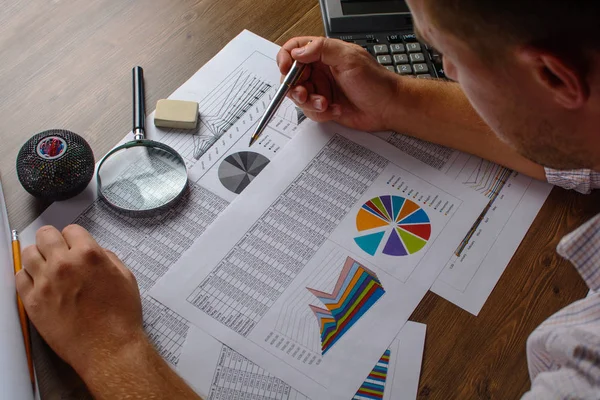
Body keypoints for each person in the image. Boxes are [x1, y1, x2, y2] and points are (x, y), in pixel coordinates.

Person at [16, 0, 599, 398]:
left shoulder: (584, 364)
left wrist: (111, 351)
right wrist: (397, 99)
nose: (442, 71)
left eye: (445, 55)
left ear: (553, 77)